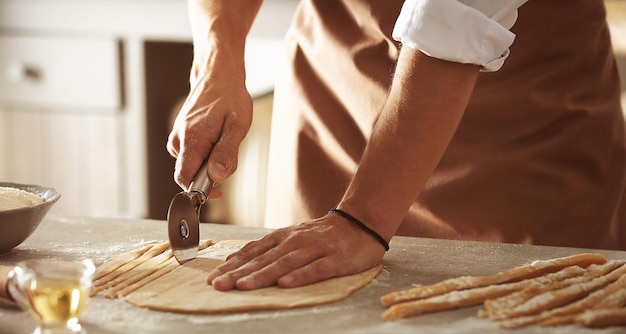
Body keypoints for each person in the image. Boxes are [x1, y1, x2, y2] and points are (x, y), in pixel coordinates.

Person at [167, 0, 626, 291]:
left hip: (517, 128)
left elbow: (454, 17)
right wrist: (216, 64)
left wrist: (362, 217)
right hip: (334, 87)